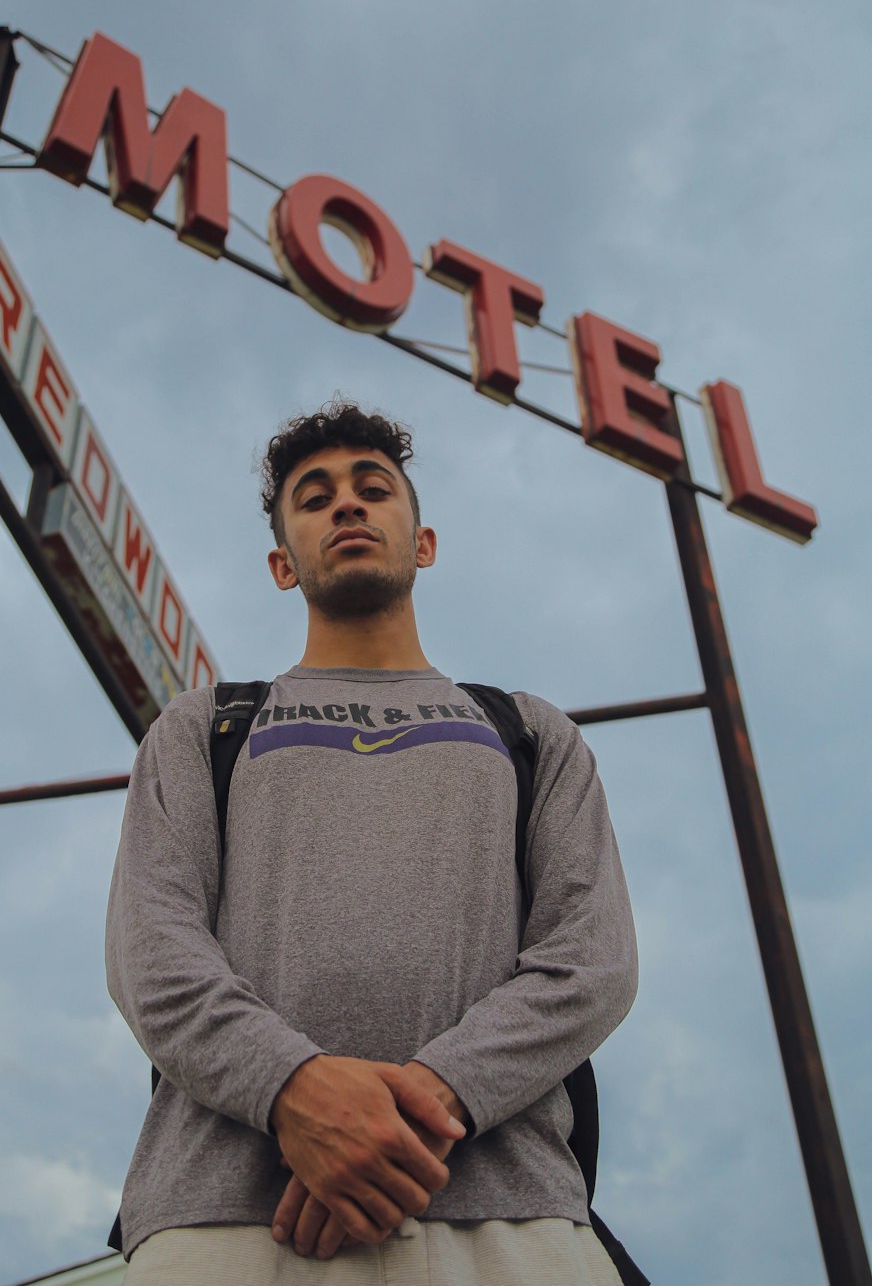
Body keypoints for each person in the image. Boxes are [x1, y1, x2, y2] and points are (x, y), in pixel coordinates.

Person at [107, 400, 638, 1285]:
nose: (346, 505)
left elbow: (592, 963)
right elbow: (151, 956)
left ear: (422, 544)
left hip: (512, 1221)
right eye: (314, 498)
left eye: (372, 489)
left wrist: (417, 1109)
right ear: (284, 564)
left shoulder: (529, 732)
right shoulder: (205, 728)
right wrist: (294, 1093)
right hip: (227, 1222)